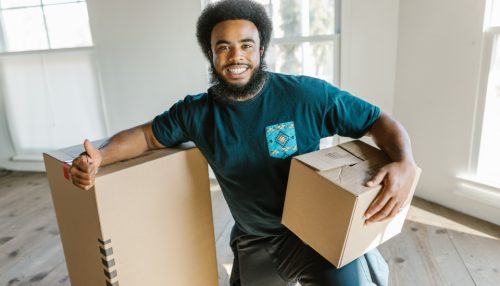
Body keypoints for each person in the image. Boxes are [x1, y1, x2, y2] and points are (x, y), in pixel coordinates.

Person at [70, 0, 419, 285]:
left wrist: (404, 161)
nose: (235, 56)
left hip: (316, 232)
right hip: (255, 239)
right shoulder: (197, 113)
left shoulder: (305, 96)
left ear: (261, 49)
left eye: (245, 45)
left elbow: (376, 120)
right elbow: (146, 136)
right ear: (211, 54)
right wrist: (100, 156)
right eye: (223, 47)